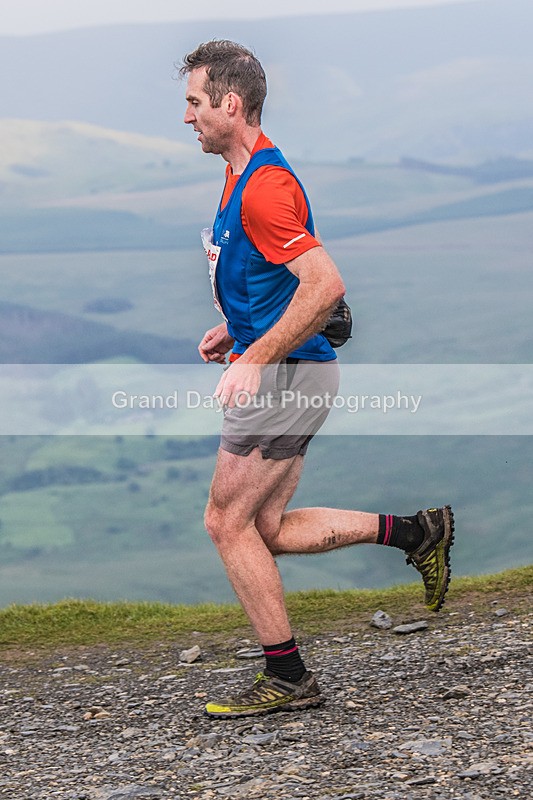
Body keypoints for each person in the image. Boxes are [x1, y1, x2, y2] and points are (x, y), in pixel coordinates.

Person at [180, 40, 454, 719]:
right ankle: (416, 533)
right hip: (293, 372)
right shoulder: (242, 175)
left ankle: (288, 677)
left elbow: (325, 284)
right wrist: (237, 330)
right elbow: (278, 279)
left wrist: (254, 357)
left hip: (286, 380)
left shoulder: (264, 186)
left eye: (194, 102)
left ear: (230, 104)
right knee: (262, 526)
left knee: (224, 521)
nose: (187, 117)